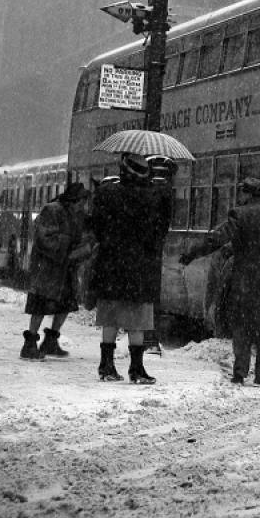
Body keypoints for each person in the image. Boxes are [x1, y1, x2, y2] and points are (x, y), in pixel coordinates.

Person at [182, 177, 260, 387]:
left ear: (247, 194)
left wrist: (192, 254)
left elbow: (216, 239)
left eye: (241, 192)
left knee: (242, 327)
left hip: (243, 282)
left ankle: (240, 372)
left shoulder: (239, 215)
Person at [88, 154, 172, 384]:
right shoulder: (155, 196)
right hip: (141, 267)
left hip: (111, 265)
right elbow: (161, 229)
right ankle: (136, 369)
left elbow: (96, 226)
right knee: (138, 319)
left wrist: (110, 242)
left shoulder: (107, 193)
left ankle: (106, 365)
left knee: (110, 318)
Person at [20, 182, 91, 361]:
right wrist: (67, 246)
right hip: (47, 268)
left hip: (65, 268)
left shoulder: (77, 215)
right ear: (73, 200)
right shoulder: (52, 210)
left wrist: (82, 247)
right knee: (41, 304)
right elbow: (44, 239)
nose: (83, 206)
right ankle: (29, 345)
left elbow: (78, 237)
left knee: (65, 304)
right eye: (81, 202)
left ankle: (50, 341)